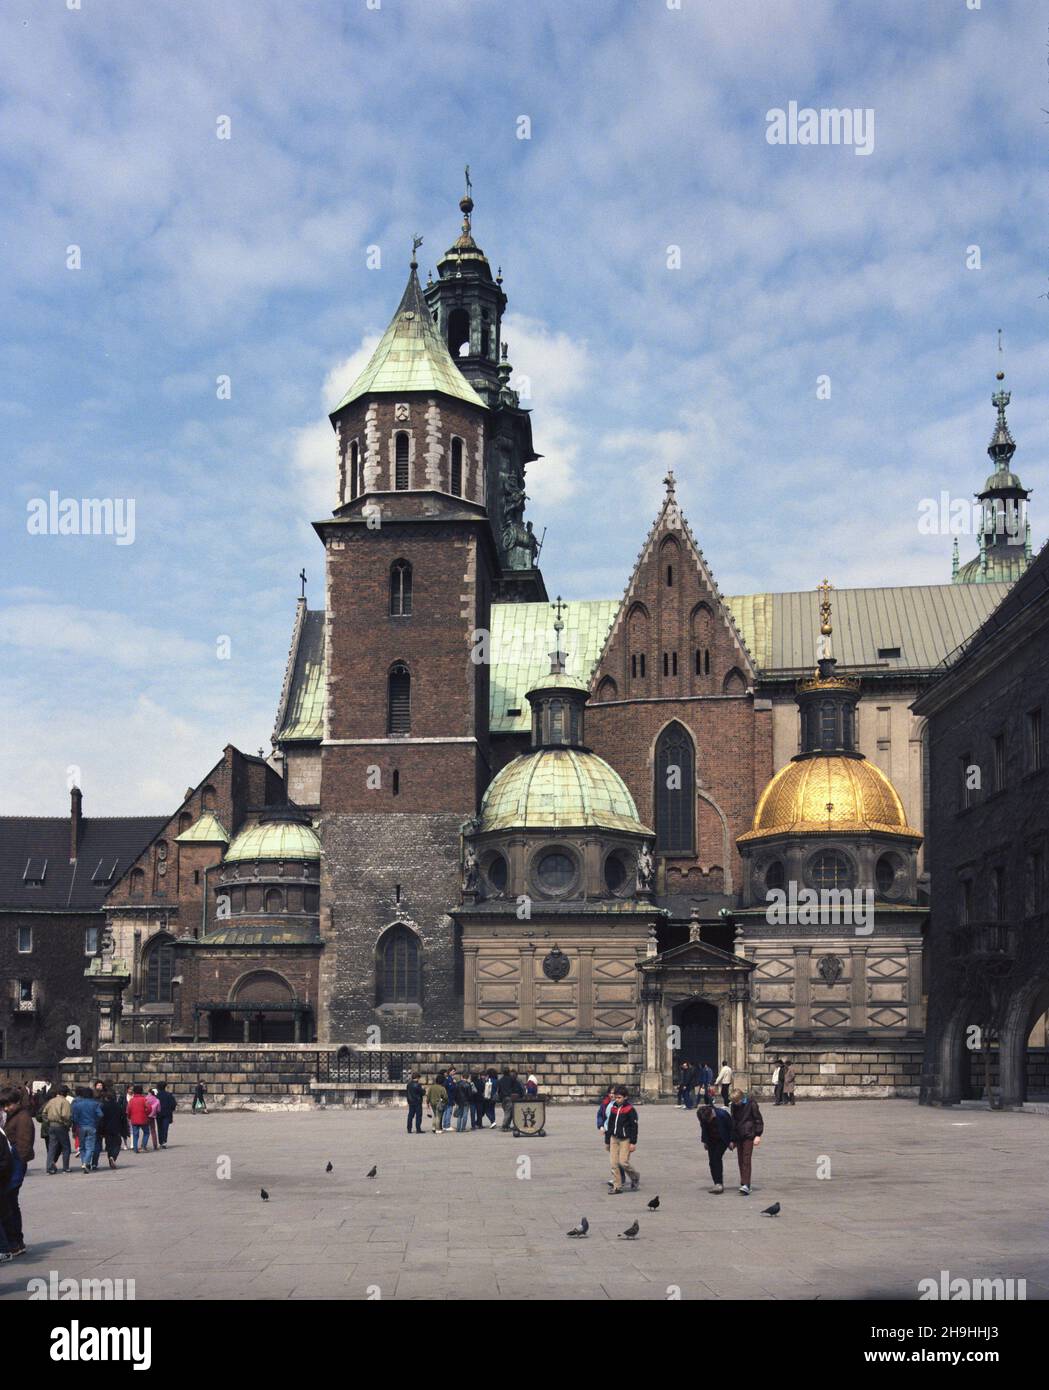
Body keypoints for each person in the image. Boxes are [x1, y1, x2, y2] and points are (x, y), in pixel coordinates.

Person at [0, 1085, 35, 1252]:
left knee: (10, 1204)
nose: (6, 1108)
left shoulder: (23, 1117)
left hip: (16, 1164)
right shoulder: (14, 1116)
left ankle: (15, 1242)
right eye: (4, 1105)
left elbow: (24, 1144)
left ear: (17, 1102)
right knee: (10, 1204)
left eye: (9, 1104)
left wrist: (17, 1166)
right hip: (12, 1164)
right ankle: (14, 1241)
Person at [604, 1086, 639, 1194]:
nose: (617, 1100)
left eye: (619, 1098)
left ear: (625, 1097)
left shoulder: (630, 1109)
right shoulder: (613, 1107)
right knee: (614, 1163)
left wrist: (633, 1142)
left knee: (623, 1162)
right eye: (615, 1098)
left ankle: (634, 1176)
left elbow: (634, 1127)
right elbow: (610, 1124)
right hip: (614, 1138)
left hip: (625, 1139)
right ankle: (617, 1186)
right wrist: (607, 1140)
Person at [729, 1088, 764, 1196]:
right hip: (739, 1135)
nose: (735, 1104)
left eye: (736, 1101)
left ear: (741, 1098)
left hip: (749, 1134)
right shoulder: (734, 1105)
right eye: (734, 1102)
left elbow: (758, 1120)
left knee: (746, 1159)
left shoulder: (751, 1104)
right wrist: (732, 1139)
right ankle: (743, 1182)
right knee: (740, 1160)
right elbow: (733, 1122)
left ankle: (746, 1185)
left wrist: (758, 1135)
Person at [697, 1103, 733, 1194]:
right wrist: (705, 1141)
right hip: (711, 1140)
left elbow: (731, 1127)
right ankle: (716, 1182)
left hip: (723, 1139)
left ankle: (719, 1183)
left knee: (716, 1158)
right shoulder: (702, 1115)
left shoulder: (722, 1114)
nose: (708, 1121)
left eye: (709, 1119)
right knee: (711, 1161)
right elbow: (703, 1128)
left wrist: (732, 1141)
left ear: (712, 1114)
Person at [68, 1086, 100, 1176]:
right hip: (91, 1126)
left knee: (82, 1147)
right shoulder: (95, 1104)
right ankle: (87, 1163)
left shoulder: (77, 1105)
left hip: (81, 1127)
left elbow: (74, 1117)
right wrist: (95, 1120)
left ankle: (83, 1163)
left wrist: (77, 1123)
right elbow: (100, 1114)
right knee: (90, 1147)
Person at [42, 1087, 73, 1174]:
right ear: (66, 1094)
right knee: (66, 1147)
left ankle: (49, 1167)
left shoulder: (51, 1101)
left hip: (51, 1125)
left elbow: (44, 1113)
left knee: (52, 1147)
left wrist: (48, 1122)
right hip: (61, 1125)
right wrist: (67, 1124)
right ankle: (65, 1167)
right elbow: (65, 1115)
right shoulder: (65, 1102)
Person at [99, 1089, 123, 1168]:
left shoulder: (103, 1106)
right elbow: (122, 1118)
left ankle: (110, 1157)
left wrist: (101, 1130)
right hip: (116, 1127)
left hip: (106, 1128)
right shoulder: (118, 1106)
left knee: (109, 1145)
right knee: (117, 1144)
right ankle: (113, 1157)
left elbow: (101, 1118)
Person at [127, 1085, 151, 1152]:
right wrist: (147, 1114)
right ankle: (143, 1146)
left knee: (135, 1134)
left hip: (134, 1119)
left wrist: (129, 1117)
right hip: (143, 1119)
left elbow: (128, 1110)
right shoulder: (144, 1099)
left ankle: (135, 1148)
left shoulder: (131, 1100)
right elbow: (149, 1108)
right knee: (146, 1132)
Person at [155, 1082, 177, 1147]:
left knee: (159, 1128)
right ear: (165, 1087)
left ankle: (160, 1142)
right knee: (165, 1128)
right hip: (167, 1114)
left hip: (158, 1114)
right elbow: (173, 1104)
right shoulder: (169, 1095)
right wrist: (171, 1110)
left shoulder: (156, 1095)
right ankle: (164, 1141)